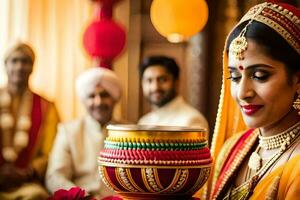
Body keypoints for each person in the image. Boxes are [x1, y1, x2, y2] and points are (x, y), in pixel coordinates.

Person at [209, 2, 300, 199]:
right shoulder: (232, 149)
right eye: (234, 77)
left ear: (297, 80)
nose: (242, 93)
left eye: (259, 75)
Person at [46, 67, 122, 198]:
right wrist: (81, 196)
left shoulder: (128, 132)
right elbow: (55, 176)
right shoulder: (68, 131)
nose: (98, 102)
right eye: (91, 96)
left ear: (114, 98)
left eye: (104, 95)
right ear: (83, 100)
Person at [0, 42, 60, 199]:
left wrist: (27, 172)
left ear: (32, 67)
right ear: (5, 66)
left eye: (25, 61)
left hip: (26, 183)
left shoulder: (47, 107)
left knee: (36, 195)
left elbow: (51, 151)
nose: (19, 66)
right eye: (14, 61)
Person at [138, 55, 208, 129]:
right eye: (149, 81)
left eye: (162, 80)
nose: (155, 87)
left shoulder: (191, 120)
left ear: (176, 82)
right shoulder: (144, 121)